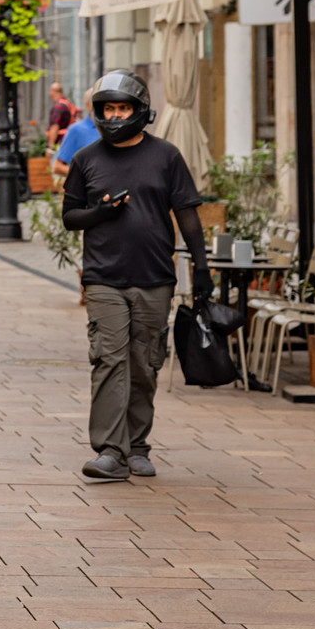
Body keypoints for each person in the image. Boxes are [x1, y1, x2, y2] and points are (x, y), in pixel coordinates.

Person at [61, 70, 210, 482]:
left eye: (122, 107)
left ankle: (138, 446)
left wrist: (202, 270)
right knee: (109, 361)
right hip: (103, 278)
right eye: (108, 108)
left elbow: (188, 218)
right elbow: (70, 217)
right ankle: (110, 450)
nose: (115, 115)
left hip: (155, 278)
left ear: (139, 111)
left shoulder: (166, 157)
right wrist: (100, 213)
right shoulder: (85, 159)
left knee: (144, 364)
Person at [50, 90, 99, 184]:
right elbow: (57, 167)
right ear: (88, 105)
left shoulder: (116, 128)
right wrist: (88, 178)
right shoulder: (76, 130)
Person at [45, 82, 76, 148]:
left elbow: (55, 127)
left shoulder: (58, 106)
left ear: (53, 92)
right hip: (68, 140)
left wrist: (50, 146)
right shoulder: (67, 104)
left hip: (60, 143)